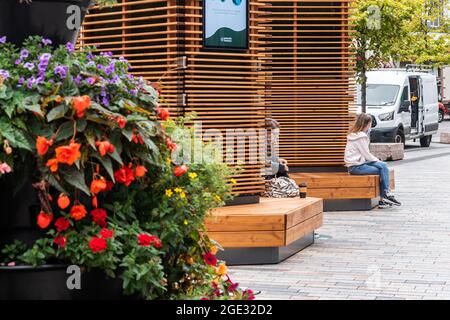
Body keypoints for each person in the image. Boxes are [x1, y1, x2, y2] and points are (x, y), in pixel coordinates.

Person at [344, 113, 401, 209]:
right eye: (370, 123)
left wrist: (378, 161)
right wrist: (377, 160)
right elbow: (367, 155)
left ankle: (385, 198)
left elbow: (365, 156)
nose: (370, 125)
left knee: (383, 166)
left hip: (358, 163)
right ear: (366, 124)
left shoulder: (355, 135)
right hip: (356, 167)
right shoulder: (361, 137)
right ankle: (385, 196)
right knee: (382, 169)